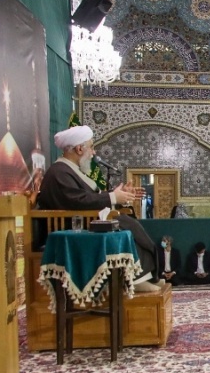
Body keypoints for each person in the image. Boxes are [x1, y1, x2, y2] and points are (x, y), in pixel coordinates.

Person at [36, 125, 161, 291]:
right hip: (71, 228)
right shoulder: (59, 172)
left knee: (129, 223)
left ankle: (144, 275)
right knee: (125, 225)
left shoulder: (69, 170)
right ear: (80, 149)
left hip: (82, 222)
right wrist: (113, 197)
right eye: (91, 147)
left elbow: (85, 198)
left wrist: (119, 194)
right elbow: (77, 201)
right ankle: (135, 278)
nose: (93, 152)